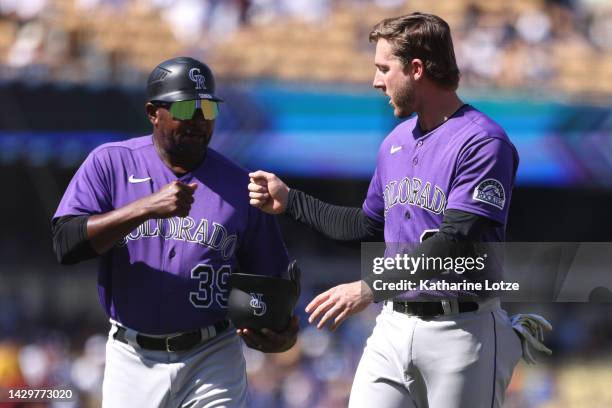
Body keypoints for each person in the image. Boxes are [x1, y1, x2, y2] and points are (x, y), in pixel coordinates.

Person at [248, 12, 524, 408]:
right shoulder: (395, 141)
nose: (376, 81)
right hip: (393, 323)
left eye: (383, 68)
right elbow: (366, 226)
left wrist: (367, 287)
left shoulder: (482, 142)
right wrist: (291, 201)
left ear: (416, 69)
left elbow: (455, 243)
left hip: (462, 328)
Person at [51, 56, 298, 408]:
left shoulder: (241, 185)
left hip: (212, 355)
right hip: (131, 356)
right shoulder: (111, 162)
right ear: (154, 112)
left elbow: (272, 276)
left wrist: (279, 331)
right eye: (186, 108)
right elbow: (66, 243)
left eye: (208, 109)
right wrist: (146, 208)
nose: (199, 120)